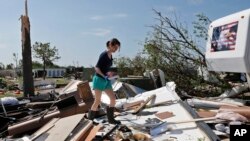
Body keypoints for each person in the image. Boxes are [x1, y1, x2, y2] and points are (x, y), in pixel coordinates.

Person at [88, 38, 121, 124]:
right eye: (115, 48)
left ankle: (111, 119)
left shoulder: (111, 56)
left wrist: (110, 74)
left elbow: (104, 68)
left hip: (106, 80)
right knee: (97, 100)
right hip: (99, 79)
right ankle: (90, 120)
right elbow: (97, 68)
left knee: (113, 99)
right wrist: (104, 76)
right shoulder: (104, 54)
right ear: (110, 45)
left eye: (117, 48)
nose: (116, 50)